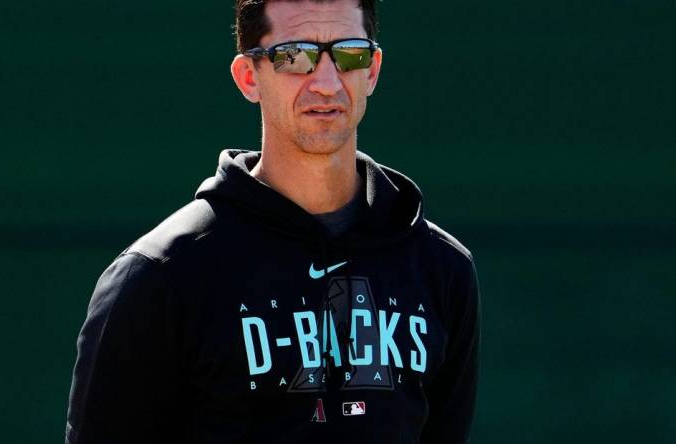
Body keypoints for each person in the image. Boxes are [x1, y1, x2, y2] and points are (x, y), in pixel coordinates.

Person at [65, 0, 481, 442]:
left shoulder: (441, 269)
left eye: (350, 53)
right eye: (293, 56)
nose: (325, 82)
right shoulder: (160, 275)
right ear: (249, 77)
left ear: (372, 70)